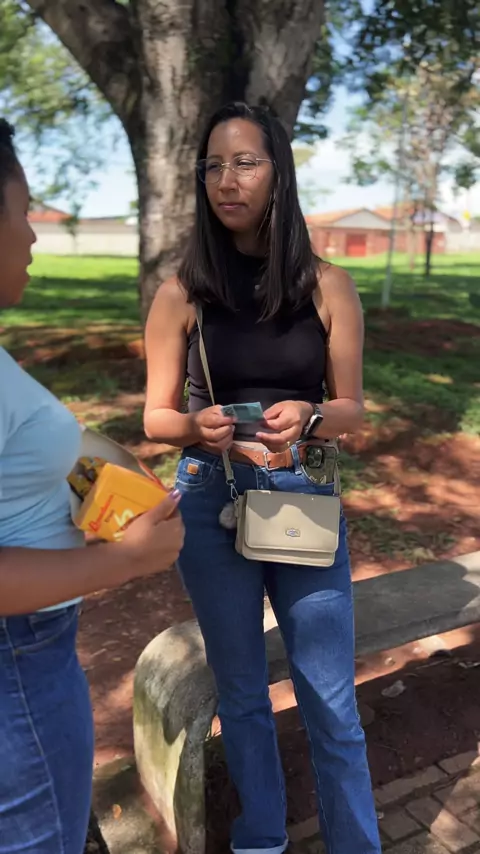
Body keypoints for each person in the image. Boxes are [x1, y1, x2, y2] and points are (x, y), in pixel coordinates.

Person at [144, 102, 381, 854]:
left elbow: (352, 410)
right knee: (243, 695)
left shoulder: (328, 285)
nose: (227, 180)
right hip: (210, 501)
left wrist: (311, 415)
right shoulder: (183, 292)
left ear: (279, 172)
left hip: (301, 496)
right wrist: (196, 427)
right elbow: (155, 417)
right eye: (213, 165)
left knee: (330, 701)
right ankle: (261, 839)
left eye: (245, 162)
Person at [0, 118, 185, 854]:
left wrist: (106, 473)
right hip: (17, 663)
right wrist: (125, 561)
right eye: (22, 212)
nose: (33, 236)